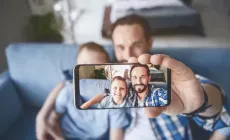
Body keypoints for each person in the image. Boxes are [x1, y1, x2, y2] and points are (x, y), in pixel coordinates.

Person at [80, 14, 230, 139]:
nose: (128, 55)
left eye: (136, 45)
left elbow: (217, 105)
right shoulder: (111, 75)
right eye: (120, 47)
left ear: (149, 43)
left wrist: (200, 103)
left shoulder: (171, 74)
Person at [36, 42, 128, 140]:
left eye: (96, 70)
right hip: (64, 135)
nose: (88, 75)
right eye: (83, 68)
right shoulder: (68, 93)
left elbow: (117, 135)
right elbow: (54, 118)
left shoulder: (114, 102)